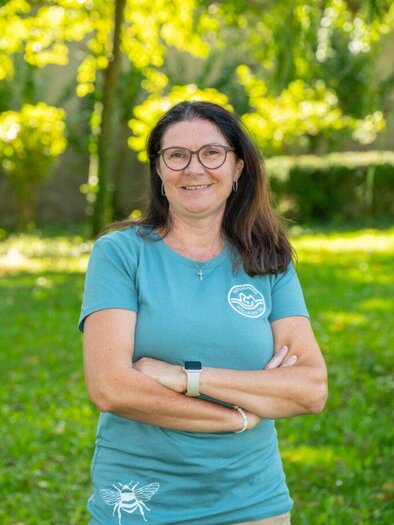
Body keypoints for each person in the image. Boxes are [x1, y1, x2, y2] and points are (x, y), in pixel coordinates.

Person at [78, 100, 328, 525]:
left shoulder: (268, 260)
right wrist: (235, 418)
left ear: (238, 168)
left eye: (212, 153)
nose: (194, 168)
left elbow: (309, 389)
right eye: (176, 155)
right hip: (141, 502)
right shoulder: (120, 254)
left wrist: (186, 378)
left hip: (253, 502)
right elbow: (110, 387)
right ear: (158, 171)